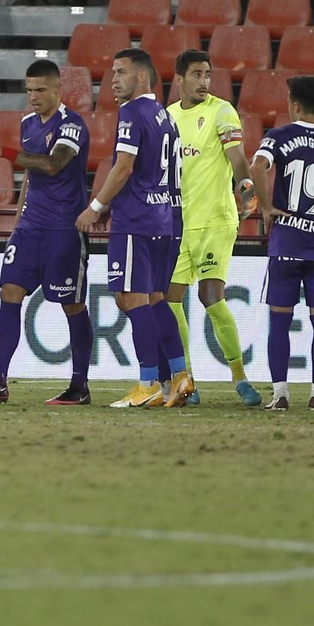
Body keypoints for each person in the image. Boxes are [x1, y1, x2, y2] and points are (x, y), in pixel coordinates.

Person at [0, 60, 96, 405]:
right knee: (9, 291)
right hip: (30, 227)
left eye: (40, 89)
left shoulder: (72, 124)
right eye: (29, 90)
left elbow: (54, 165)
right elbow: (31, 175)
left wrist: (3, 152)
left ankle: (79, 386)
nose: (34, 96)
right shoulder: (27, 123)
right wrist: (16, 222)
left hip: (64, 229)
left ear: (57, 89)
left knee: (72, 306)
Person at [76, 48, 191, 408]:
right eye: (112, 72)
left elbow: (124, 166)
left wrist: (96, 207)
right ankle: (179, 374)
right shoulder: (164, 116)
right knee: (155, 299)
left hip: (137, 221)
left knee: (131, 298)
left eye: (122, 72)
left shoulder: (131, 112)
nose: (113, 79)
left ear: (142, 76)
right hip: (164, 218)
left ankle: (148, 383)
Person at [165, 50, 261, 407]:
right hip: (179, 224)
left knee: (210, 297)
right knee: (169, 300)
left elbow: (237, 157)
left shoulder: (222, 111)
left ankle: (240, 378)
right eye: (196, 75)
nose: (204, 81)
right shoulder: (167, 118)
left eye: (207, 74)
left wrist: (246, 188)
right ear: (179, 79)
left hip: (216, 220)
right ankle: (186, 380)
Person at [249, 75, 314, 412]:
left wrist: (266, 207)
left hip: (286, 243)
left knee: (279, 320)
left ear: (294, 104)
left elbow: (257, 167)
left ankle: (279, 395)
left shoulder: (278, 136)